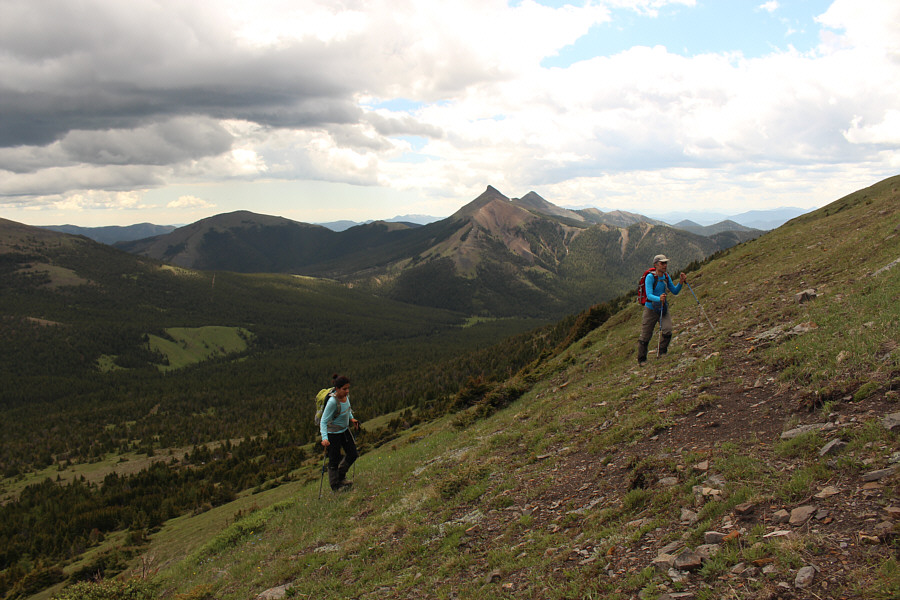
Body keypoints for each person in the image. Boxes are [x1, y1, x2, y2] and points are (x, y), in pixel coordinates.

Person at [638, 254, 687, 364]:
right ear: (656, 265)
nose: (665, 265)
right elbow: (649, 295)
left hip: (662, 308)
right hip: (650, 309)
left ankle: (662, 353)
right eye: (662, 263)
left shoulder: (666, 276)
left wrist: (680, 282)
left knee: (668, 329)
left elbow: (674, 291)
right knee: (645, 335)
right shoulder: (650, 277)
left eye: (666, 263)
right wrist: (659, 298)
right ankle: (642, 360)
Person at [320, 374, 359, 491]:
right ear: (337, 389)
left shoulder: (346, 396)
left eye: (348, 388)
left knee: (353, 454)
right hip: (333, 434)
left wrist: (352, 418)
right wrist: (324, 438)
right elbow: (323, 421)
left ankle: (341, 477)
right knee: (334, 459)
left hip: (344, 430)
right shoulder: (332, 402)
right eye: (344, 389)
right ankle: (335, 486)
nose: (347, 391)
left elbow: (347, 409)